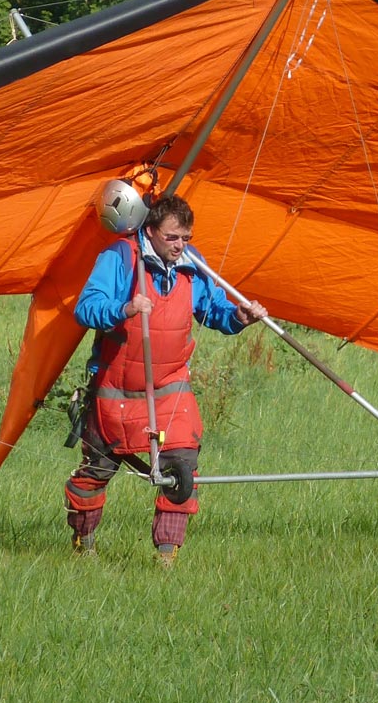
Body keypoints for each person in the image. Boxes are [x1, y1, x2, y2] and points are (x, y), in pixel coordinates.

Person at [64, 193, 266, 567]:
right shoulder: (120, 256)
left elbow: (214, 310)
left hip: (170, 388)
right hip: (117, 389)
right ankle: (83, 543)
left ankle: (167, 557)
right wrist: (124, 308)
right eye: (172, 237)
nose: (179, 245)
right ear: (151, 231)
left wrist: (238, 317)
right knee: (96, 472)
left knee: (182, 466)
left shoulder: (191, 263)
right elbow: (85, 308)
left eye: (186, 238)